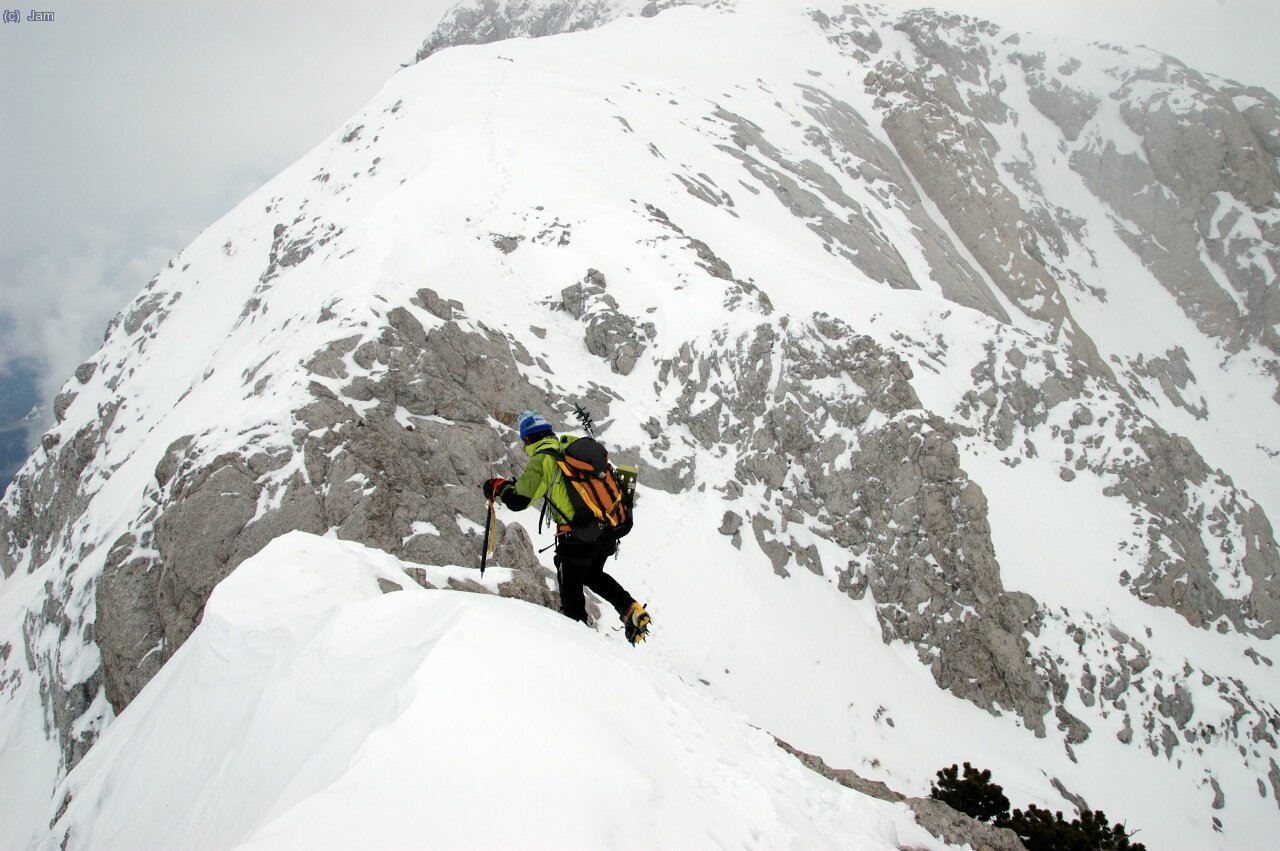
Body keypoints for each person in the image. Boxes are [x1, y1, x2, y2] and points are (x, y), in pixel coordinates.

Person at [482, 410, 651, 644]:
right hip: (606, 529)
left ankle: (582, 646)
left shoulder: (542, 459)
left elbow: (518, 501)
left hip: (577, 538)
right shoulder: (568, 446)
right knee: (592, 574)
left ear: (528, 439)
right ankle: (630, 609)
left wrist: (498, 486)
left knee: (572, 601)